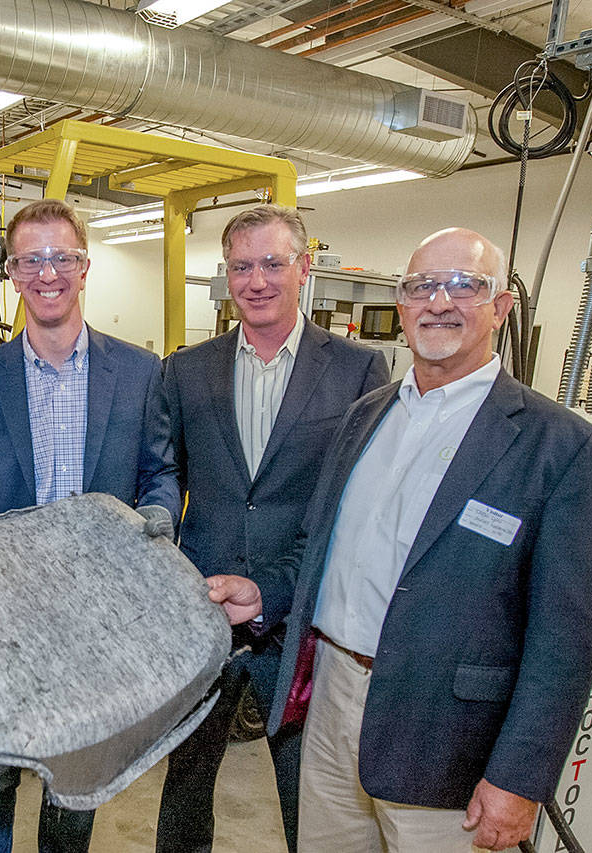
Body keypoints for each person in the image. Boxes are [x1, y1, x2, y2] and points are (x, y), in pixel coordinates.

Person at [208, 227, 592, 852]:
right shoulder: (366, 416)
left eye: (464, 285)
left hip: (446, 737)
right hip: (330, 703)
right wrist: (264, 593)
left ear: (501, 307)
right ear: (401, 305)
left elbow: (566, 639)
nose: (439, 302)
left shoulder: (561, 447)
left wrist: (519, 778)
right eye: (421, 286)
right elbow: (323, 548)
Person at [0, 198, 181, 853]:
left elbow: (159, 471)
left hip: (96, 613)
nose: (48, 273)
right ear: (13, 273)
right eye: (31, 260)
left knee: (76, 774)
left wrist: (159, 513)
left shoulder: (139, 373)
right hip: (3, 611)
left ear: (84, 267)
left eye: (61, 258)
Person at [155, 204, 389, 853]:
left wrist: (277, 589)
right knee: (185, 780)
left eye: (272, 263)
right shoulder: (186, 369)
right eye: (241, 267)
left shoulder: (357, 370)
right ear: (226, 274)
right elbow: (164, 474)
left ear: (303, 268)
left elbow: (357, 505)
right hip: (204, 610)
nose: (256, 281)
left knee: (307, 787)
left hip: (300, 618)